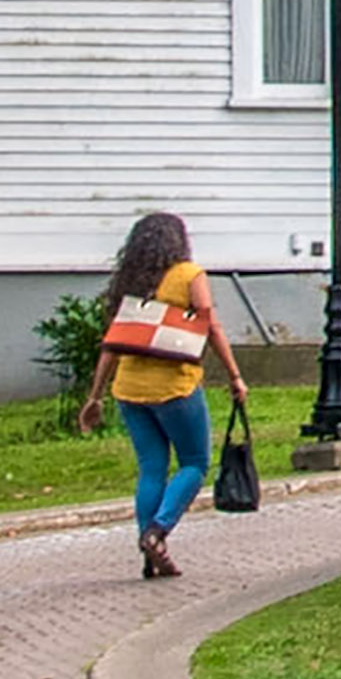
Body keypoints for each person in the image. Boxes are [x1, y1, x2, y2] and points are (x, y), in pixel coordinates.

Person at [96, 212, 241, 581]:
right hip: (175, 387)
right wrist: (235, 376)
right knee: (194, 462)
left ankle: (149, 554)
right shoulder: (189, 275)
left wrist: (94, 396)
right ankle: (157, 531)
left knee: (151, 469)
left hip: (129, 390)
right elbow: (211, 328)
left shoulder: (129, 283)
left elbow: (111, 346)